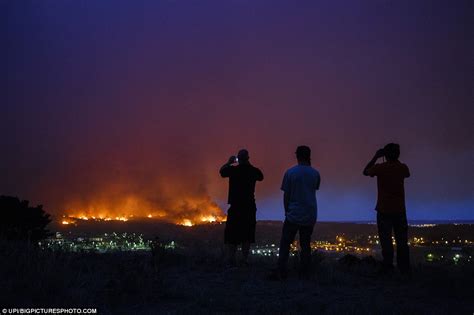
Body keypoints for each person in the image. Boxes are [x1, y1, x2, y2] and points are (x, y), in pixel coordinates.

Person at [363, 143, 411, 275]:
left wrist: (376, 157)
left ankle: (388, 268)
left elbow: (365, 171)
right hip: (400, 210)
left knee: (386, 241)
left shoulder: (380, 168)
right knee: (402, 241)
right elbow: (407, 174)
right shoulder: (402, 168)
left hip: (384, 210)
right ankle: (404, 270)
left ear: (385, 155)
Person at [276, 145, 321, 279]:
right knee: (305, 244)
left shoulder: (290, 173)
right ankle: (305, 272)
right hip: (309, 214)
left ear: (297, 156)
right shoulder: (315, 173)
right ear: (309, 156)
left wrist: (286, 212)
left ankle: (281, 270)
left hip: (294, 214)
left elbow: (286, 195)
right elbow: (314, 189)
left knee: (285, 243)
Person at [220, 149, 263, 266]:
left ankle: (231, 259)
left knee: (232, 232)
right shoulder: (253, 171)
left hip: (236, 206)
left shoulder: (233, 170)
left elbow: (222, 172)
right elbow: (261, 176)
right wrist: (248, 164)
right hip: (249, 206)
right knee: (247, 233)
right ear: (248, 158)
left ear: (238, 159)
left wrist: (229, 162)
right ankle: (244, 260)